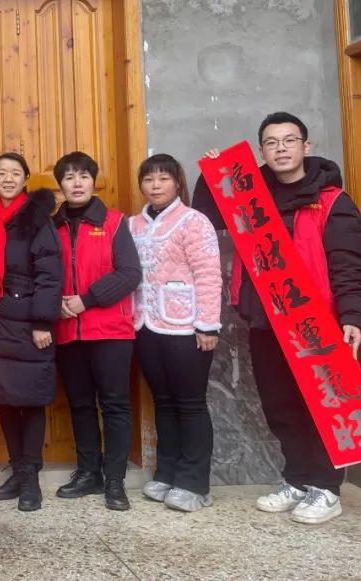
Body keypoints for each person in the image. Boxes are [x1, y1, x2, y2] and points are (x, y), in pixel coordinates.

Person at [194, 112, 361, 524]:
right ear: (262, 151)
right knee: (279, 405)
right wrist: (211, 174)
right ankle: (298, 479)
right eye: (271, 143)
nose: (281, 149)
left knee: (320, 406)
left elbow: (349, 263)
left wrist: (353, 316)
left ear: (306, 146)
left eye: (289, 140)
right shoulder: (250, 198)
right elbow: (207, 217)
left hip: (316, 323)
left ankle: (326, 487)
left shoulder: (331, 201)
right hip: (265, 321)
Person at [0, 153, 62, 512]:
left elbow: (50, 274)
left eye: (15, 173)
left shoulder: (36, 219)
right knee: (3, 397)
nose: (7, 178)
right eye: (2, 173)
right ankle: (18, 471)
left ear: (25, 179)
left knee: (30, 399)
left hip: (27, 323)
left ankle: (31, 476)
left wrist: (42, 322)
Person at [129, 154, 222, 512]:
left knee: (190, 403)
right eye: (149, 179)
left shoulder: (194, 221)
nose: (155, 185)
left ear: (177, 183)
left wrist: (207, 324)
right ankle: (166, 473)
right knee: (163, 402)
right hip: (145, 324)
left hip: (187, 327)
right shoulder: (133, 225)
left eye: (163, 178)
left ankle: (194, 482)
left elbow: (209, 274)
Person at [52, 151, 141, 511]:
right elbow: (44, 273)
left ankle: (115, 480)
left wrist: (86, 300)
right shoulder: (52, 227)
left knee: (115, 405)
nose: (77, 183)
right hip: (67, 332)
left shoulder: (115, 222)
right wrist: (54, 303)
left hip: (110, 331)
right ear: (60, 185)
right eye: (69, 177)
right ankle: (88, 473)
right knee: (80, 405)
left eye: (83, 176)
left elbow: (130, 274)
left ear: (93, 181)